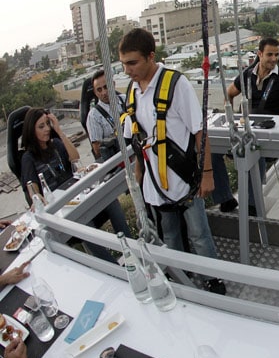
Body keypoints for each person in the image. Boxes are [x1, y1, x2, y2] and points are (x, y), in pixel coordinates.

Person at [120, 28, 225, 295]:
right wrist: (139, 171)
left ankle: (212, 278)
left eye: (132, 63)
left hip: (184, 177)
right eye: (124, 64)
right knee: (170, 235)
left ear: (151, 56)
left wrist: (208, 173)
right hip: (156, 182)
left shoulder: (176, 85)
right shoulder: (134, 91)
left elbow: (200, 129)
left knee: (199, 233)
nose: (127, 70)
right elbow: (138, 139)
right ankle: (179, 277)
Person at [20, 108, 132, 262]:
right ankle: (112, 267)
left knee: (111, 201)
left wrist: (59, 131)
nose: (46, 129)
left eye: (48, 124)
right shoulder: (28, 158)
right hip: (63, 212)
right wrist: (35, 195)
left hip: (77, 197)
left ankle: (131, 250)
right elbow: (32, 188)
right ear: (31, 130)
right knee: (85, 222)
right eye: (41, 126)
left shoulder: (57, 144)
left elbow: (75, 158)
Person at [223, 38, 279, 215]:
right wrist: (231, 117)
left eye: (276, 55)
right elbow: (229, 93)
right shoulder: (247, 75)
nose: (274, 59)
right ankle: (225, 198)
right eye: (270, 54)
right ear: (259, 54)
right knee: (211, 150)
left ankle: (252, 205)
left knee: (254, 148)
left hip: (270, 130)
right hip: (247, 126)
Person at [86, 69, 126, 162]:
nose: (104, 92)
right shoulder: (94, 116)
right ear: (95, 93)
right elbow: (98, 150)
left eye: (106, 87)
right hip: (118, 160)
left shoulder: (125, 100)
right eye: (99, 90)